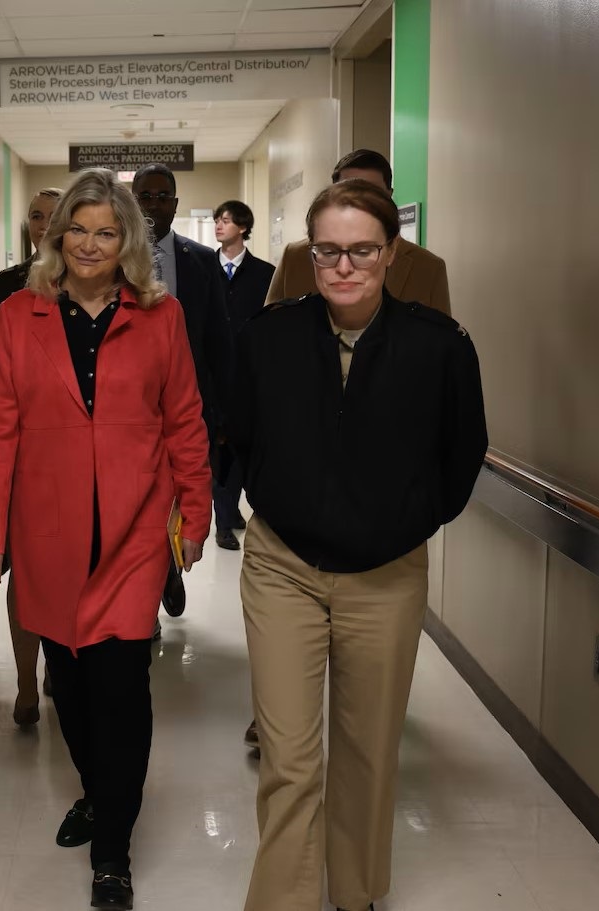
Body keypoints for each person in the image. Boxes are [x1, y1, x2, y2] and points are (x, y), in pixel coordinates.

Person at [228, 179, 487, 911]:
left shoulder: (439, 346)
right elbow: (241, 435)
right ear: (311, 254)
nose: (344, 266)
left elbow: (462, 450)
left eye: (361, 250)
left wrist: (411, 518)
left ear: (391, 251)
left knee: (369, 751)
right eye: (328, 251)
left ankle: (355, 895)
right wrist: (277, 498)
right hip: (284, 567)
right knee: (290, 758)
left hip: (387, 573)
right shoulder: (269, 337)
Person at [0, 168, 211, 911]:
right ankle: (100, 790)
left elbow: (185, 422)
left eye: (107, 231)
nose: (90, 243)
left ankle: (113, 850)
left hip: (136, 530)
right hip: (46, 533)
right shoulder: (18, 315)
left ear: (127, 240)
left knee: (120, 684)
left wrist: (194, 516)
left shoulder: (159, 316)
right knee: (68, 687)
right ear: (55, 233)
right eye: (78, 227)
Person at [131, 163, 231, 620]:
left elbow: (216, 339)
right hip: (133, 405)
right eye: (144, 196)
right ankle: (149, 585)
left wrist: (221, 409)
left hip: (189, 401)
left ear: (175, 202)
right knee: (140, 497)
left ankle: (170, 566)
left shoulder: (203, 260)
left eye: (161, 196)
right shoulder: (112, 259)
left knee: (180, 489)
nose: (153, 205)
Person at [0, 185, 63, 725]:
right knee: (24, 575)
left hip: (66, 458)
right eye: (35, 216)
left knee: (62, 572)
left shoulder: (89, 283)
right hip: (18, 458)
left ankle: (59, 665)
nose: (43, 224)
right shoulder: (5, 290)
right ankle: (27, 682)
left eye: (54, 216)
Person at [263, 149, 451, 313]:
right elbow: (270, 333)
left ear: (389, 195)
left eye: (372, 192)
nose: (359, 202)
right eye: (348, 190)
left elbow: (441, 345)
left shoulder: (428, 267)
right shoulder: (294, 257)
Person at [210, 200, 275, 552]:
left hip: (250, 376)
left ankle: (230, 510)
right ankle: (222, 523)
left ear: (243, 227)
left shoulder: (265, 274)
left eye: (226, 220)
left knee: (240, 444)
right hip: (214, 375)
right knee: (218, 448)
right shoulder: (206, 269)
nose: (219, 226)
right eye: (217, 220)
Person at [0, 186, 62, 310]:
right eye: (37, 217)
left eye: (54, 218)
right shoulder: (2, 284)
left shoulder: (83, 281)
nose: (45, 226)